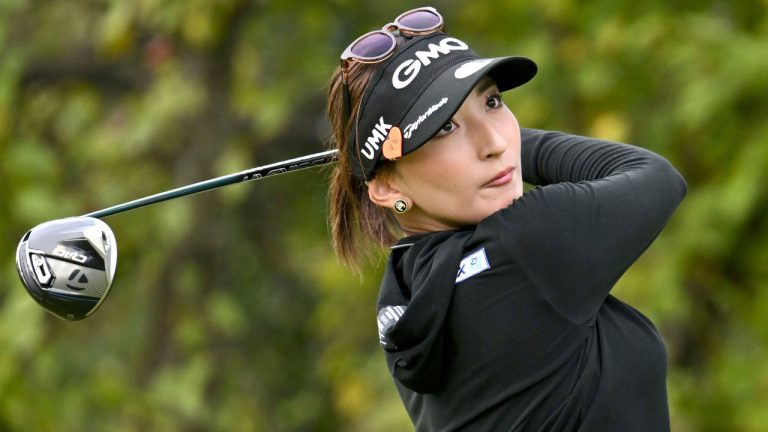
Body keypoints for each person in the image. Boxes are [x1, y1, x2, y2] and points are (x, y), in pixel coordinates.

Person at [326, 7, 687, 431]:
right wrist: (514, 150)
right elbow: (656, 178)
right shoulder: (527, 243)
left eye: (492, 102)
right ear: (387, 189)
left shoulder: (404, 291)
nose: (494, 142)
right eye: (444, 127)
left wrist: (489, 143)